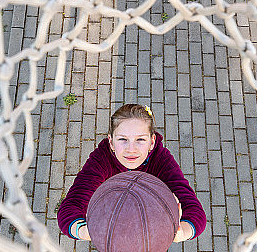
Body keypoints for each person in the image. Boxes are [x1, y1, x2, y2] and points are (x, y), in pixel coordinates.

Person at [57, 103, 206, 243]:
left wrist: (182, 232)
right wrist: (85, 231)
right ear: (111, 142)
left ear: (152, 142)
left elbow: (195, 212)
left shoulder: (161, 159)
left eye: (140, 139)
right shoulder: (101, 159)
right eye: (122, 139)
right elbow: (70, 208)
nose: (131, 149)